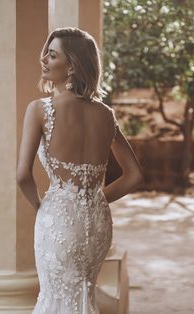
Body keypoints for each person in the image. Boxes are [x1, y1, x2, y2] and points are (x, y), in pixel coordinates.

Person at [16, 27, 143, 314]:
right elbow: (134, 175)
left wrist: (43, 207)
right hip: (97, 221)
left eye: (52, 55)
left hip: (58, 220)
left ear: (71, 66)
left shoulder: (39, 110)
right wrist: (94, 200)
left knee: (57, 299)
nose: (44, 60)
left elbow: (22, 175)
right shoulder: (105, 114)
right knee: (83, 298)